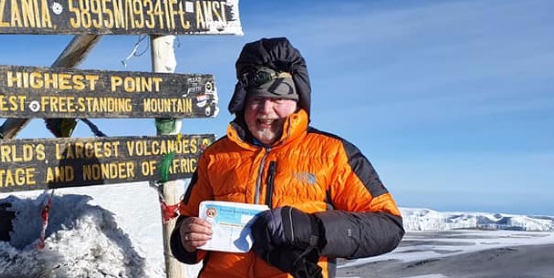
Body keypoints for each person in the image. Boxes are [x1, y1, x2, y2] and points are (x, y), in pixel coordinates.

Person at [170, 37, 404, 278]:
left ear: (297, 102)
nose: (266, 110)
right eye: (256, 99)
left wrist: (313, 230)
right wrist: (185, 237)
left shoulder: (333, 153)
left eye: (278, 99)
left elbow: (388, 226)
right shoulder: (215, 155)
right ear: (243, 104)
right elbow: (186, 225)